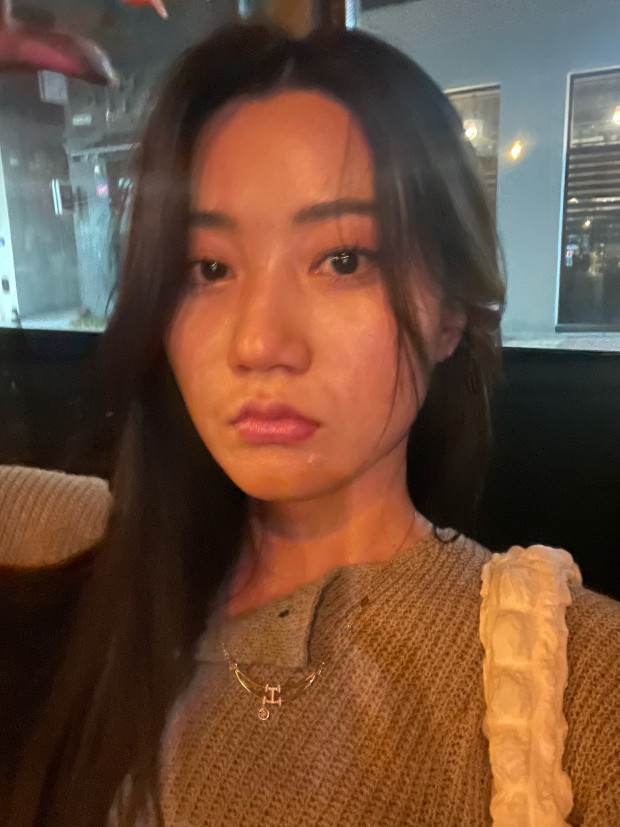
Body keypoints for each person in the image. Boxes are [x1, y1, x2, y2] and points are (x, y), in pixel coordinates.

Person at [0, 20, 618, 827]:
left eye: (342, 259)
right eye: (209, 268)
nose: (260, 343)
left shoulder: (562, 676)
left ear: (451, 313)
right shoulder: (86, 542)